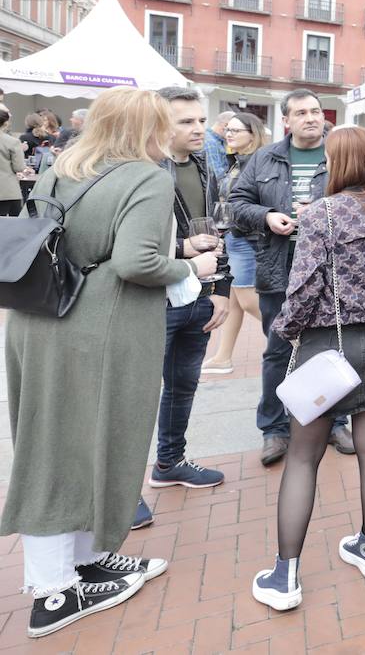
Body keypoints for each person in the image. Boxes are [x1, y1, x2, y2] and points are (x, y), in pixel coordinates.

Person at [1, 87, 218, 638]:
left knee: (58, 441)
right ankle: (53, 591)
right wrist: (187, 270)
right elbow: (135, 260)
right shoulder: (148, 176)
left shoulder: (62, 165)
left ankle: (84, 561)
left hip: (38, 317)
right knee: (67, 449)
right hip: (96, 329)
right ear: (145, 126)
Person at [250, 126, 365, 611]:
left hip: (327, 351)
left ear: (339, 164)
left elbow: (303, 289)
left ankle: (285, 576)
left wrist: (283, 332)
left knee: (303, 459)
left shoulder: (323, 216)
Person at [230, 89, 353, 464]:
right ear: (286, 120)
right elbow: (237, 205)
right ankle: (274, 429)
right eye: (301, 112)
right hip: (278, 268)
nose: (311, 118)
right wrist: (267, 216)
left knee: (331, 348)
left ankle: (334, 421)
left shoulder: (342, 155)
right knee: (278, 351)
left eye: (316, 111)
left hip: (329, 271)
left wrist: (324, 209)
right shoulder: (264, 158)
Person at [131, 89, 233, 530]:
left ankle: (169, 462)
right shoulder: (141, 171)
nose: (198, 129)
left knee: (182, 386)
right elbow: (128, 248)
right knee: (133, 396)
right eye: (185, 122)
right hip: (152, 299)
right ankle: (120, 490)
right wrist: (182, 248)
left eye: (200, 120)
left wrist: (223, 288)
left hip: (198, 295)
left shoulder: (205, 167)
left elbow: (221, 226)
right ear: (159, 124)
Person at [201, 112, 270, 376]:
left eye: (235, 131)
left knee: (248, 298)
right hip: (233, 236)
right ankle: (223, 356)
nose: (228, 134)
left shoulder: (257, 163)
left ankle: (294, 338)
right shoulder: (237, 162)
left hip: (245, 238)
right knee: (233, 299)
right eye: (227, 130)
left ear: (252, 135)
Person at [0, 109, 25, 217]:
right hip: (7, 189)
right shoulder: (12, 142)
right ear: (6, 122)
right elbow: (18, 167)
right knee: (15, 224)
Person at [204, 111, 234, 180]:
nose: (233, 133)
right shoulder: (210, 143)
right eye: (234, 129)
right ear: (226, 126)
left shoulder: (218, 140)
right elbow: (216, 177)